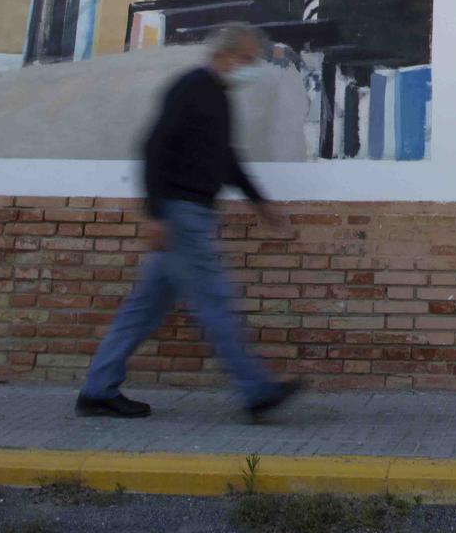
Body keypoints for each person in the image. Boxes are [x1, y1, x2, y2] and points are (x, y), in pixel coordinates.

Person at [77, 24, 304, 422]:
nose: (251, 67)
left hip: (187, 212)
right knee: (214, 300)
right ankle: (257, 390)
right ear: (227, 55)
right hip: (182, 214)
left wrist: (260, 203)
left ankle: (98, 390)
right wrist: (155, 213)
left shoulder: (216, 95)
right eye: (248, 59)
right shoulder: (192, 88)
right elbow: (154, 146)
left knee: (142, 310)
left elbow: (225, 159)